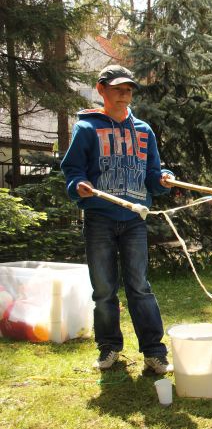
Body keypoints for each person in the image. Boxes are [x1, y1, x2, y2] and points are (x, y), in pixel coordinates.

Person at [61, 65, 175, 374]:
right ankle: (109, 347)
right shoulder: (86, 128)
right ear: (101, 90)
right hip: (99, 218)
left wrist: (164, 178)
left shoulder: (144, 131)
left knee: (140, 285)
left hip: (134, 219)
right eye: (117, 88)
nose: (124, 94)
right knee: (104, 289)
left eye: (128, 89)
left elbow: (153, 173)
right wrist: (78, 186)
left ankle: (154, 351)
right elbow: (73, 170)